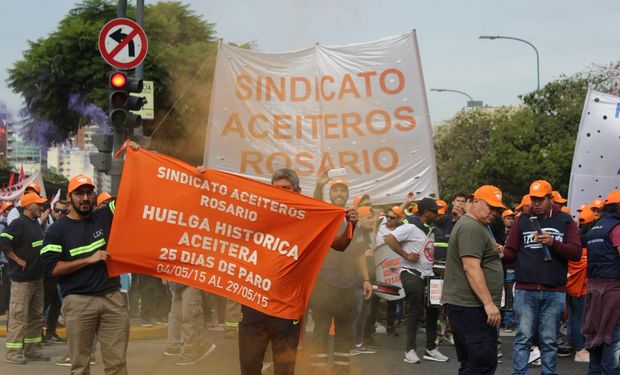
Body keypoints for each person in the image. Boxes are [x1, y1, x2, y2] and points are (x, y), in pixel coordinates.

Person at [237, 168, 359, 375]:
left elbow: (339, 245)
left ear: (298, 191)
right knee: (249, 366)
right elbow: (219, 215)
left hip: (287, 306)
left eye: (286, 188)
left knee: (284, 369)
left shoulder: (308, 220)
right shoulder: (258, 214)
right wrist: (203, 180)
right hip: (255, 301)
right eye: (275, 189)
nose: (281, 192)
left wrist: (352, 225)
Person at [40, 174, 129, 375]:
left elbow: (131, 195)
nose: (85, 198)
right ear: (69, 197)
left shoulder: (104, 216)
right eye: (79, 193)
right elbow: (52, 269)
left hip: (112, 299)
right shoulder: (57, 231)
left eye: (89, 193)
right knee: (80, 367)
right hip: (78, 302)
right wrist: (89, 259)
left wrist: (136, 155)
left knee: (117, 365)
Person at [502, 180, 581, 375]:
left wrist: (554, 243)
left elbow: (576, 253)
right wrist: (500, 253)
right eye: (533, 199)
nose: (535, 203)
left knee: (549, 340)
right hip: (525, 289)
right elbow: (511, 252)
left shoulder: (565, 220)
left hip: (554, 291)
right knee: (523, 338)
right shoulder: (522, 219)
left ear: (550, 198)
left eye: (540, 199)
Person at [440, 185, 505, 374]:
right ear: (476, 202)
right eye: (490, 207)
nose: (494, 213)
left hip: (468, 306)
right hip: (471, 306)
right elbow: (470, 267)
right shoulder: (471, 227)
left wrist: (494, 251)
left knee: (472, 364)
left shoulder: (477, 225)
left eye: (497, 209)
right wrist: (488, 303)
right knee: (481, 364)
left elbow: (476, 258)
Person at [311, 172, 368, 375]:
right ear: (330, 193)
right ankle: (317, 371)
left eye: (342, 190)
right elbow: (315, 204)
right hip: (324, 283)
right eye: (335, 189)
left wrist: (367, 279)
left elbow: (360, 251)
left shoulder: (353, 217)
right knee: (321, 329)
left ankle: (341, 371)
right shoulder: (324, 212)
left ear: (347, 194)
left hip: (347, 285)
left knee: (345, 333)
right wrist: (319, 186)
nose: (338, 193)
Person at [384, 197, 449, 364]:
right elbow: (389, 239)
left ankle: (430, 348)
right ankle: (410, 350)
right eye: (434, 211)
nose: (437, 214)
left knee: (434, 309)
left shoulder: (431, 229)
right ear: (426, 212)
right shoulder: (411, 227)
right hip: (411, 273)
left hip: (428, 274)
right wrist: (406, 255)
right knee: (414, 310)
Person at [0, 192, 49, 365]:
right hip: (22, 281)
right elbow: (3, 241)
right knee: (19, 317)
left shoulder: (34, 223)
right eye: (38, 204)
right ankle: (12, 354)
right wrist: (18, 259)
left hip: (37, 279)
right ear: (28, 206)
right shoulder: (18, 223)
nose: (41, 207)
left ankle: (32, 351)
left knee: (36, 317)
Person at [582, 189, 620, 374]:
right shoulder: (617, 228)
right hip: (613, 291)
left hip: (594, 290)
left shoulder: (596, 228)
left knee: (595, 340)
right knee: (613, 339)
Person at [42, 199, 68, 345]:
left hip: (63, 273)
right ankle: (37, 334)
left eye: (64, 211)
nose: (60, 214)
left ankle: (51, 333)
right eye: (57, 210)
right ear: (52, 211)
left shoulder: (70, 227)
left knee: (57, 305)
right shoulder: (46, 226)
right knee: (43, 304)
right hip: (48, 273)